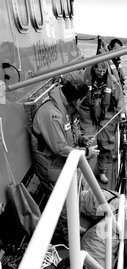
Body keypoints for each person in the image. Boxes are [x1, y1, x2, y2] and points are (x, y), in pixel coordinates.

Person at [31, 77, 99, 242]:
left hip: (61, 161)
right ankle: (63, 234)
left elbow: (69, 130)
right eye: (82, 99)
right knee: (63, 201)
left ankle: (71, 224)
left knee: (74, 192)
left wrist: (82, 139)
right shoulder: (51, 114)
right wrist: (85, 152)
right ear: (76, 99)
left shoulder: (64, 107)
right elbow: (60, 148)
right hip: (50, 165)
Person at [79, 59, 125, 184]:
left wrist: (122, 114)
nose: (101, 73)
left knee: (106, 143)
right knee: (88, 141)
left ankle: (102, 171)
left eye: (104, 70)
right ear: (94, 68)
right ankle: (83, 172)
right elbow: (71, 78)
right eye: (99, 70)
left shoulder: (112, 81)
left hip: (106, 113)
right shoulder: (84, 75)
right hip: (87, 112)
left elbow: (120, 98)